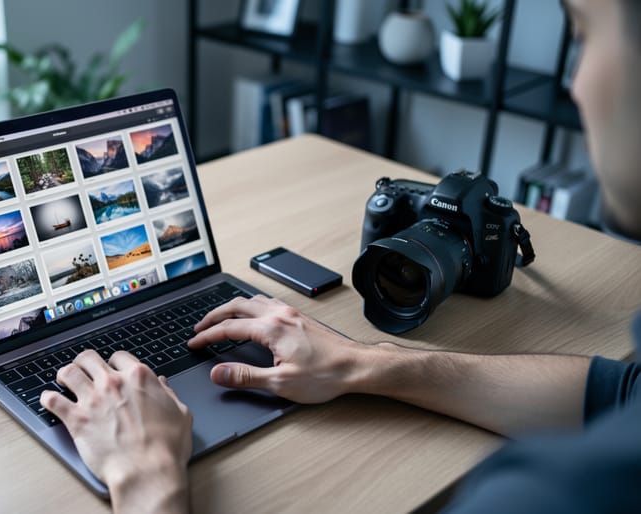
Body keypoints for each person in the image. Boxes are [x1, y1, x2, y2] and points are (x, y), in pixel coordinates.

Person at [39, 0, 641, 512]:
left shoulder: (552, 494)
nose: (576, 83)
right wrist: (365, 362)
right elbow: (623, 392)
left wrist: (149, 479)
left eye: (584, 36)